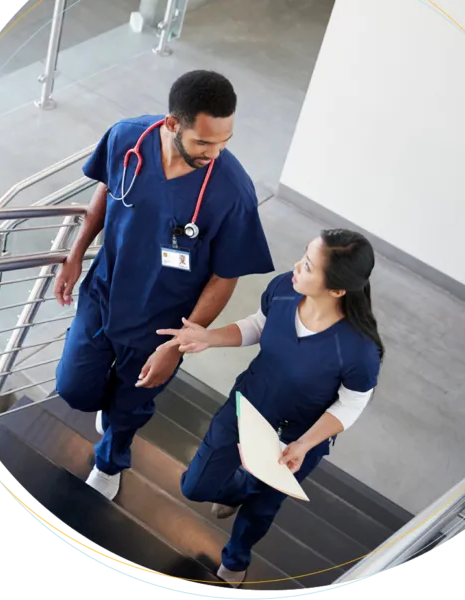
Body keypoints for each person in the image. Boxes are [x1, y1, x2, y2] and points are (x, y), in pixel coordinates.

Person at [53, 70, 274, 501]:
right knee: (74, 389)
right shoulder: (126, 139)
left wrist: (178, 344)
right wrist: (76, 253)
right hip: (104, 294)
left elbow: (225, 276)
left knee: (130, 408)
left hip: (163, 323)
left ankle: (110, 459)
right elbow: (106, 192)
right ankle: (109, 406)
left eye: (225, 141)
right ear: (173, 124)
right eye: (204, 143)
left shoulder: (232, 192)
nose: (215, 153)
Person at [156, 228, 385, 588]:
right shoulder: (283, 288)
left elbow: (352, 403)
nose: (296, 266)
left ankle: (236, 558)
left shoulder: (358, 351)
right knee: (195, 485)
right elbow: (259, 325)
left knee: (263, 507)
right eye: (303, 256)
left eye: (308, 266)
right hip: (248, 404)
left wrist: (305, 444)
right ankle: (238, 488)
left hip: (297, 438)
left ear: (338, 289)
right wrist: (209, 337)